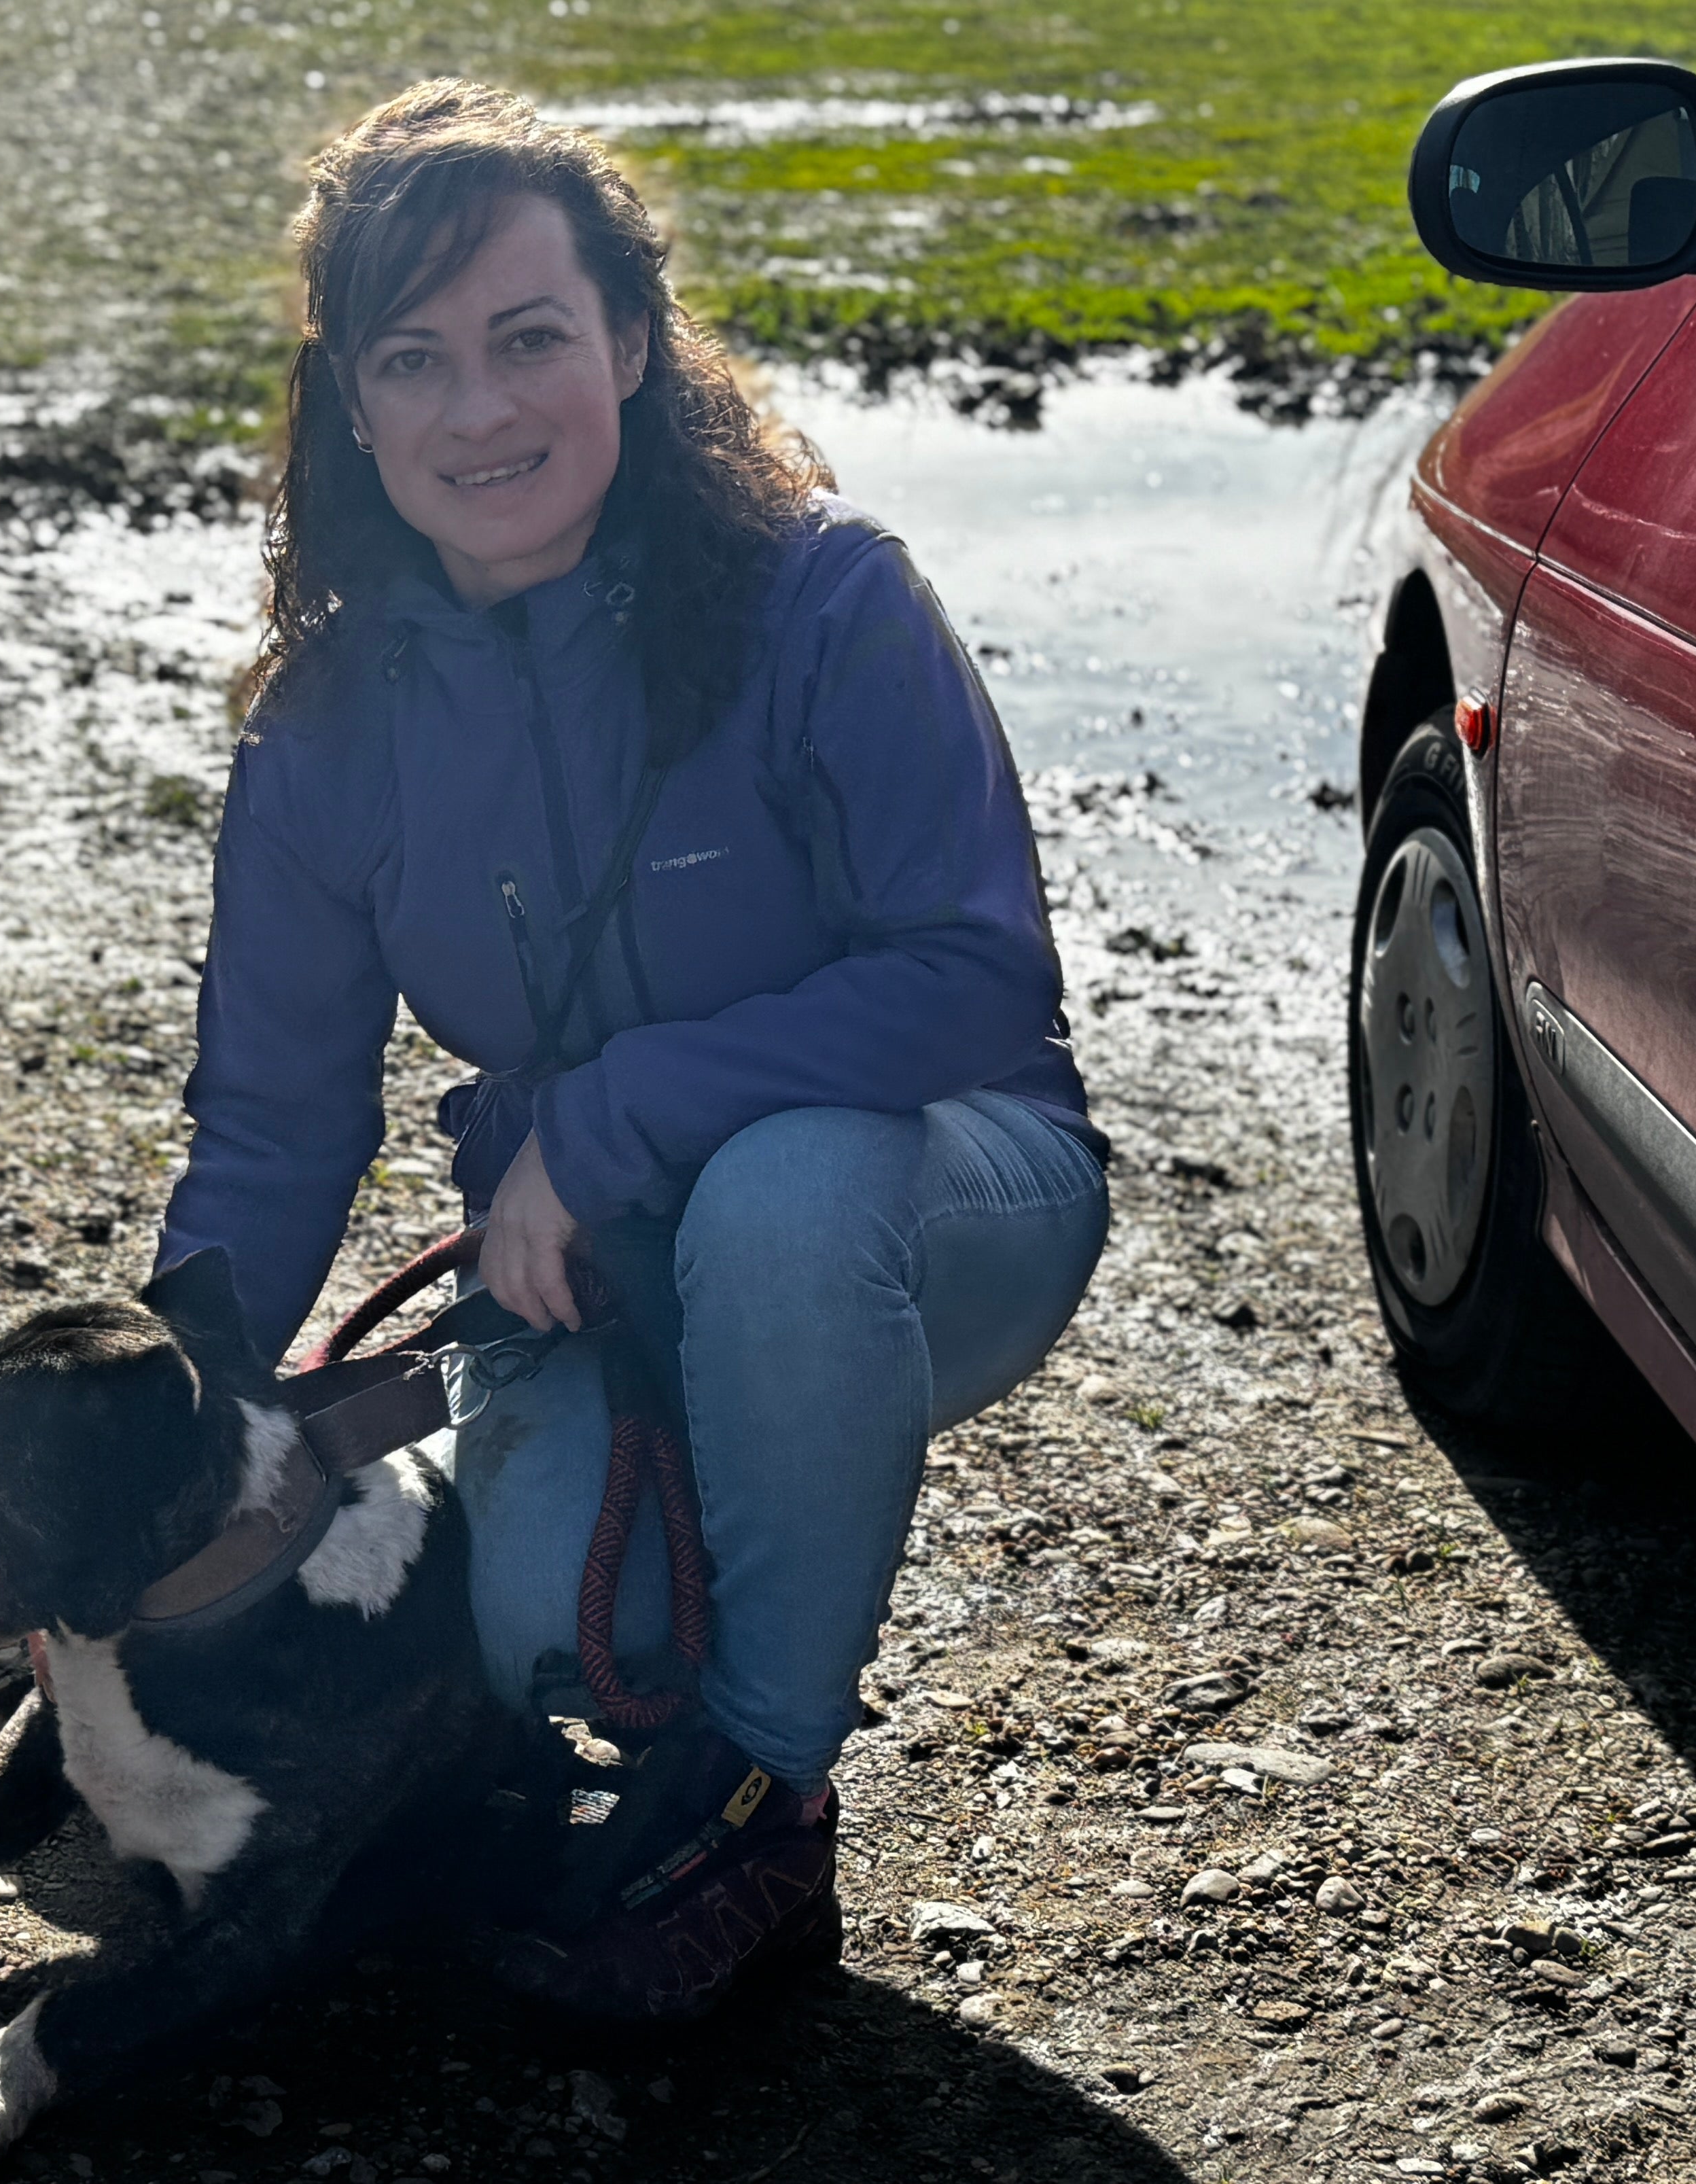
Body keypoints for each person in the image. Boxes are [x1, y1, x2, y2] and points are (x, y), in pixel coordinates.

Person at [154, 79, 1110, 2020]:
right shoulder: (326, 722)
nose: (480, 411)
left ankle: (756, 1806)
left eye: (529, 340)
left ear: (636, 342)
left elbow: (977, 977)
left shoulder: (826, 596)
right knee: (543, 1649)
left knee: (781, 1187)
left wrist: (600, 1121)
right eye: (415, 361)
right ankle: (688, 1688)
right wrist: (168, 1428)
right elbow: (274, 1118)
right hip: (600, 1273)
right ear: (354, 409)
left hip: (935, 1193)